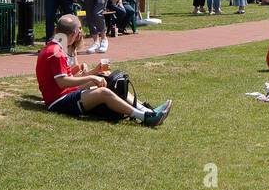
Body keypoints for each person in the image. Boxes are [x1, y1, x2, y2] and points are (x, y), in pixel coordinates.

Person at [35, 14, 171, 126]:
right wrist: (91, 77)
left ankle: (147, 110)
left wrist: (95, 74)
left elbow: (64, 79)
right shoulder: (56, 52)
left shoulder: (53, 47)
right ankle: (145, 117)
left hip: (63, 95)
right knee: (103, 92)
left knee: (108, 79)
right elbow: (62, 82)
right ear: (74, 33)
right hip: (58, 101)